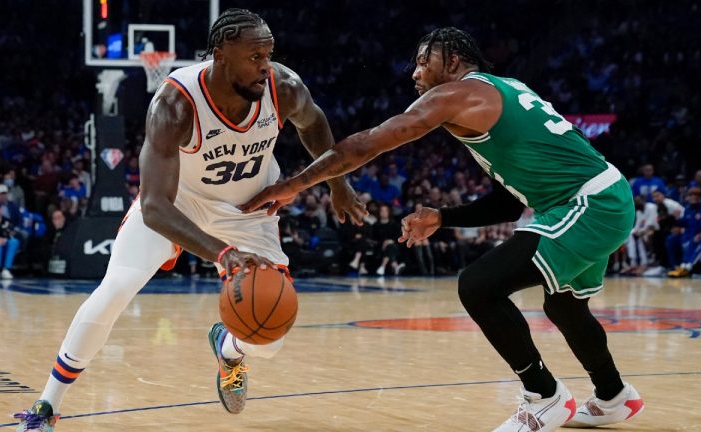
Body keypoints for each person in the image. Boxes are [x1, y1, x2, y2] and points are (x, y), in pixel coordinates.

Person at [242, 27, 644, 431]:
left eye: (423, 61)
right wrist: (443, 217)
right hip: (601, 199)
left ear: (451, 61)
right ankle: (613, 396)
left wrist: (292, 185)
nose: (415, 73)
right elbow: (509, 201)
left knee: (478, 286)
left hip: (587, 204)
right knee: (564, 305)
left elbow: (368, 143)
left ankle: (545, 396)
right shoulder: (500, 90)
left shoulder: (457, 96)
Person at [13, 9, 365, 431]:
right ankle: (46, 408)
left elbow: (315, 125)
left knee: (269, 340)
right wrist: (223, 253)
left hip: (248, 210)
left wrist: (338, 185)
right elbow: (155, 207)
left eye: (268, 55)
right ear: (221, 54)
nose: (264, 66)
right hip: (178, 203)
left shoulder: (282, 87)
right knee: (116, 288)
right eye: (254, 56)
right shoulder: (175, 103)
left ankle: (229, 347)